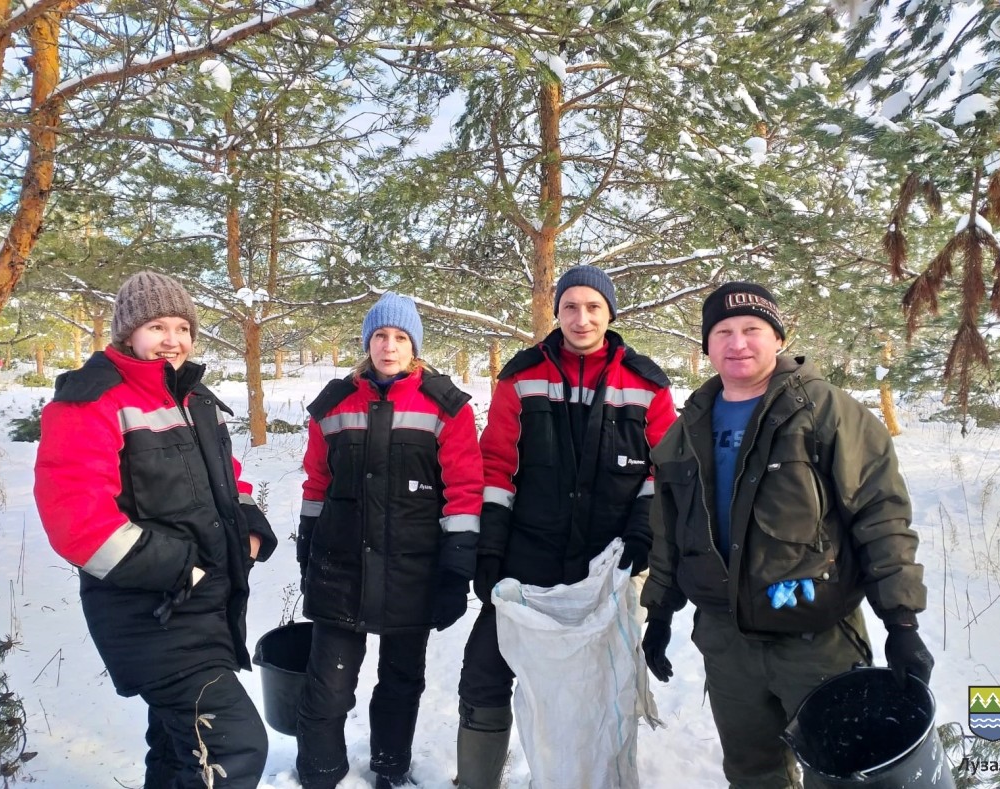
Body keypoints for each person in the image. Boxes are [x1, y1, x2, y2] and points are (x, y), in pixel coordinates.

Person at [640, 281, 934, 788]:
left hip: (815, 639)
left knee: (840, 774)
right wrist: (660, 612)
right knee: (753, 775)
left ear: (777, 337)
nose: (738, 344)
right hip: (727, 644)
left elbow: (880, 515)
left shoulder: (826, 411)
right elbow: (670, 531)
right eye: (723, 332)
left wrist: (901, 623)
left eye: (752, 329)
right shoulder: (686, 428)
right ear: (706, 345)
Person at [33, 271, 278, 789]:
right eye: (157, 326)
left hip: (204, 606)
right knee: (234, 747)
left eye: (182, 327)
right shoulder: (91, 401)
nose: (173, 340)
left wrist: (249, 524)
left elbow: (226, 480)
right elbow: (76, 521)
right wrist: (181, 568)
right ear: (127, 332)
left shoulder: (194, 399)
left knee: (178, 753)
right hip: (150, 613)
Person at [456, 265, 678, 789]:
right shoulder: (522, 375)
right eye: (571, 306)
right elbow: (497, 468)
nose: (582, 318)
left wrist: (643, 533)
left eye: (593, 306)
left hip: (607, 563)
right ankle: (476, 780)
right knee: (484, 671)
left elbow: (663, 471)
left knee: (596, 685)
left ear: (610, 313)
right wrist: (489, 548)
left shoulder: (646, 384)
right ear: (556, 311)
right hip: (526, 557)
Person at [295, 292, 484, 789]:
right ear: (367, 342)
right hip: (340, 568)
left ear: (414, 346)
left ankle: (390, 768)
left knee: (400, 682)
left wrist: (456, 568)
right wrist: (306, 544)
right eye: (380, 336)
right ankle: (318, 772)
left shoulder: (446, 408)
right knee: (329, 685)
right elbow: (316, 484)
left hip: (412, 573)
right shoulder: (334, 405)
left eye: (401, 337)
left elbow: (464, 491)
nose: (389, 346)